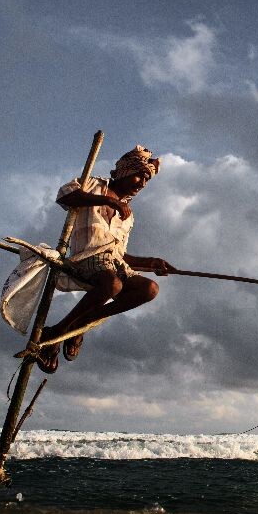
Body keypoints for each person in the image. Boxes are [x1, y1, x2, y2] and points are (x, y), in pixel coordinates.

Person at [36, 145, 176, 373]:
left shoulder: (127, 216)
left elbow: (120, 255)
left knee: (149, 289)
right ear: (124, 172)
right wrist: (109, 202)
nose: (142, 183)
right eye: (139, 175)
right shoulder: (92, 185)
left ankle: (78, 324)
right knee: (112, 284)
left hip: (111, 266)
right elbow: (65, 196)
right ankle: (60, 332)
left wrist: (151, 262)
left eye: (146, 180)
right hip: (85, 259)